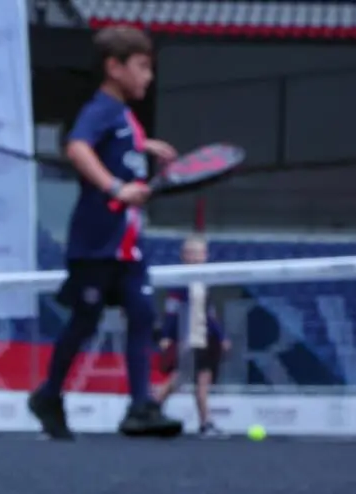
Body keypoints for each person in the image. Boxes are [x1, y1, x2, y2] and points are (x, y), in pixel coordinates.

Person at [27, 25, 182, 440]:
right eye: (142, 66)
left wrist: (142, 147)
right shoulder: (103, 108)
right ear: (114, 68)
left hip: (127, 243)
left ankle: (140, 407)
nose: (149, 76)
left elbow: (115, 149)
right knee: (84, 321)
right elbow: (77, 146)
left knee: (143, 314)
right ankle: (49, 395)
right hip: (97, 240)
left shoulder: (125, 119)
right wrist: (115, 187)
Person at [153, 235, 231, 437]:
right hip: (188, 339)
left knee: (203, 383)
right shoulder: (179, 281)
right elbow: (172, 311)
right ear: (184, 256)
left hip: (206, 340)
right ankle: (151, 410)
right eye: (191, 253)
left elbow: (211, 313)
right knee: (178, 379)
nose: (196, 257)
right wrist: (167, 336)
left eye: (200, 253)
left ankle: (206, 424)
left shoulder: (207, 280)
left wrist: (221, 337)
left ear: (206, 256)